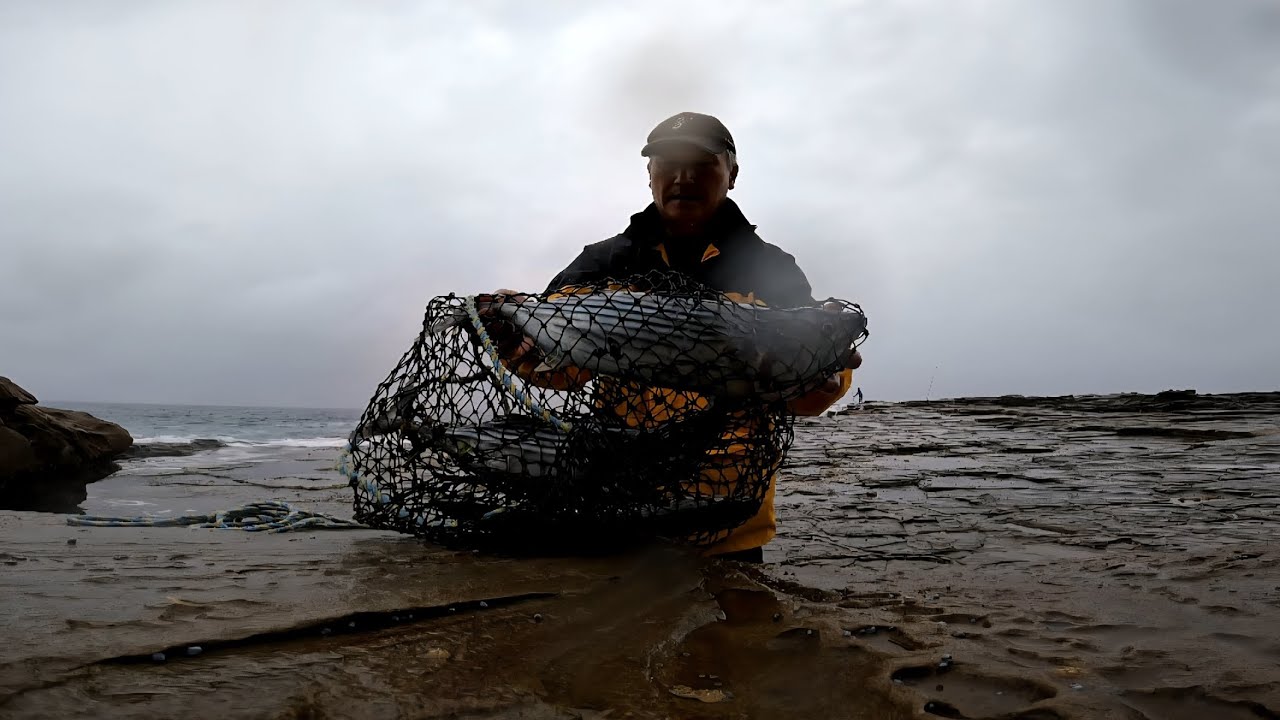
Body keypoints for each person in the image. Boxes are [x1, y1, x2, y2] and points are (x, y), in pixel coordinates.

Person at [489, 112, 863, 562]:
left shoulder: (772, 269)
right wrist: (517, 346)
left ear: (732, 174)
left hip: (728, 519)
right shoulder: (604, 262)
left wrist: (827, 378)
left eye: (702, 163)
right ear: (649, 175)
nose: (683, 177)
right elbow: (564, 371)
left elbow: (803, 388)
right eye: (667, 163)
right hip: (621, 501)